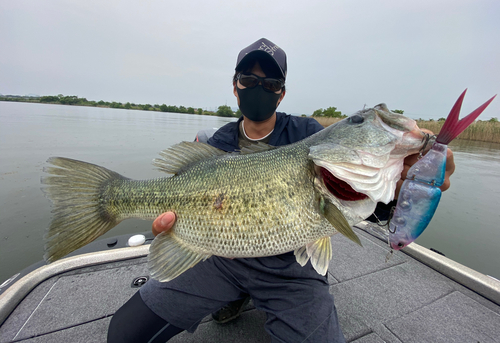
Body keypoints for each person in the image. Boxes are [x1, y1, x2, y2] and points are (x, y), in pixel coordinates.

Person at [107, 38, 455, 342]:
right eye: (248, 79)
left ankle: (246, 298)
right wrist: (170, 231)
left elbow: (373, 207)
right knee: (123, 334)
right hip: (219, 257)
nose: (259, 88)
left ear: (282, 92)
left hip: (291, 273)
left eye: (271, 83)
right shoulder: (217, 143)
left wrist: (402, 189)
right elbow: (181, 203)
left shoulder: (308, 134)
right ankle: (235, 295)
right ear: (235, 86)